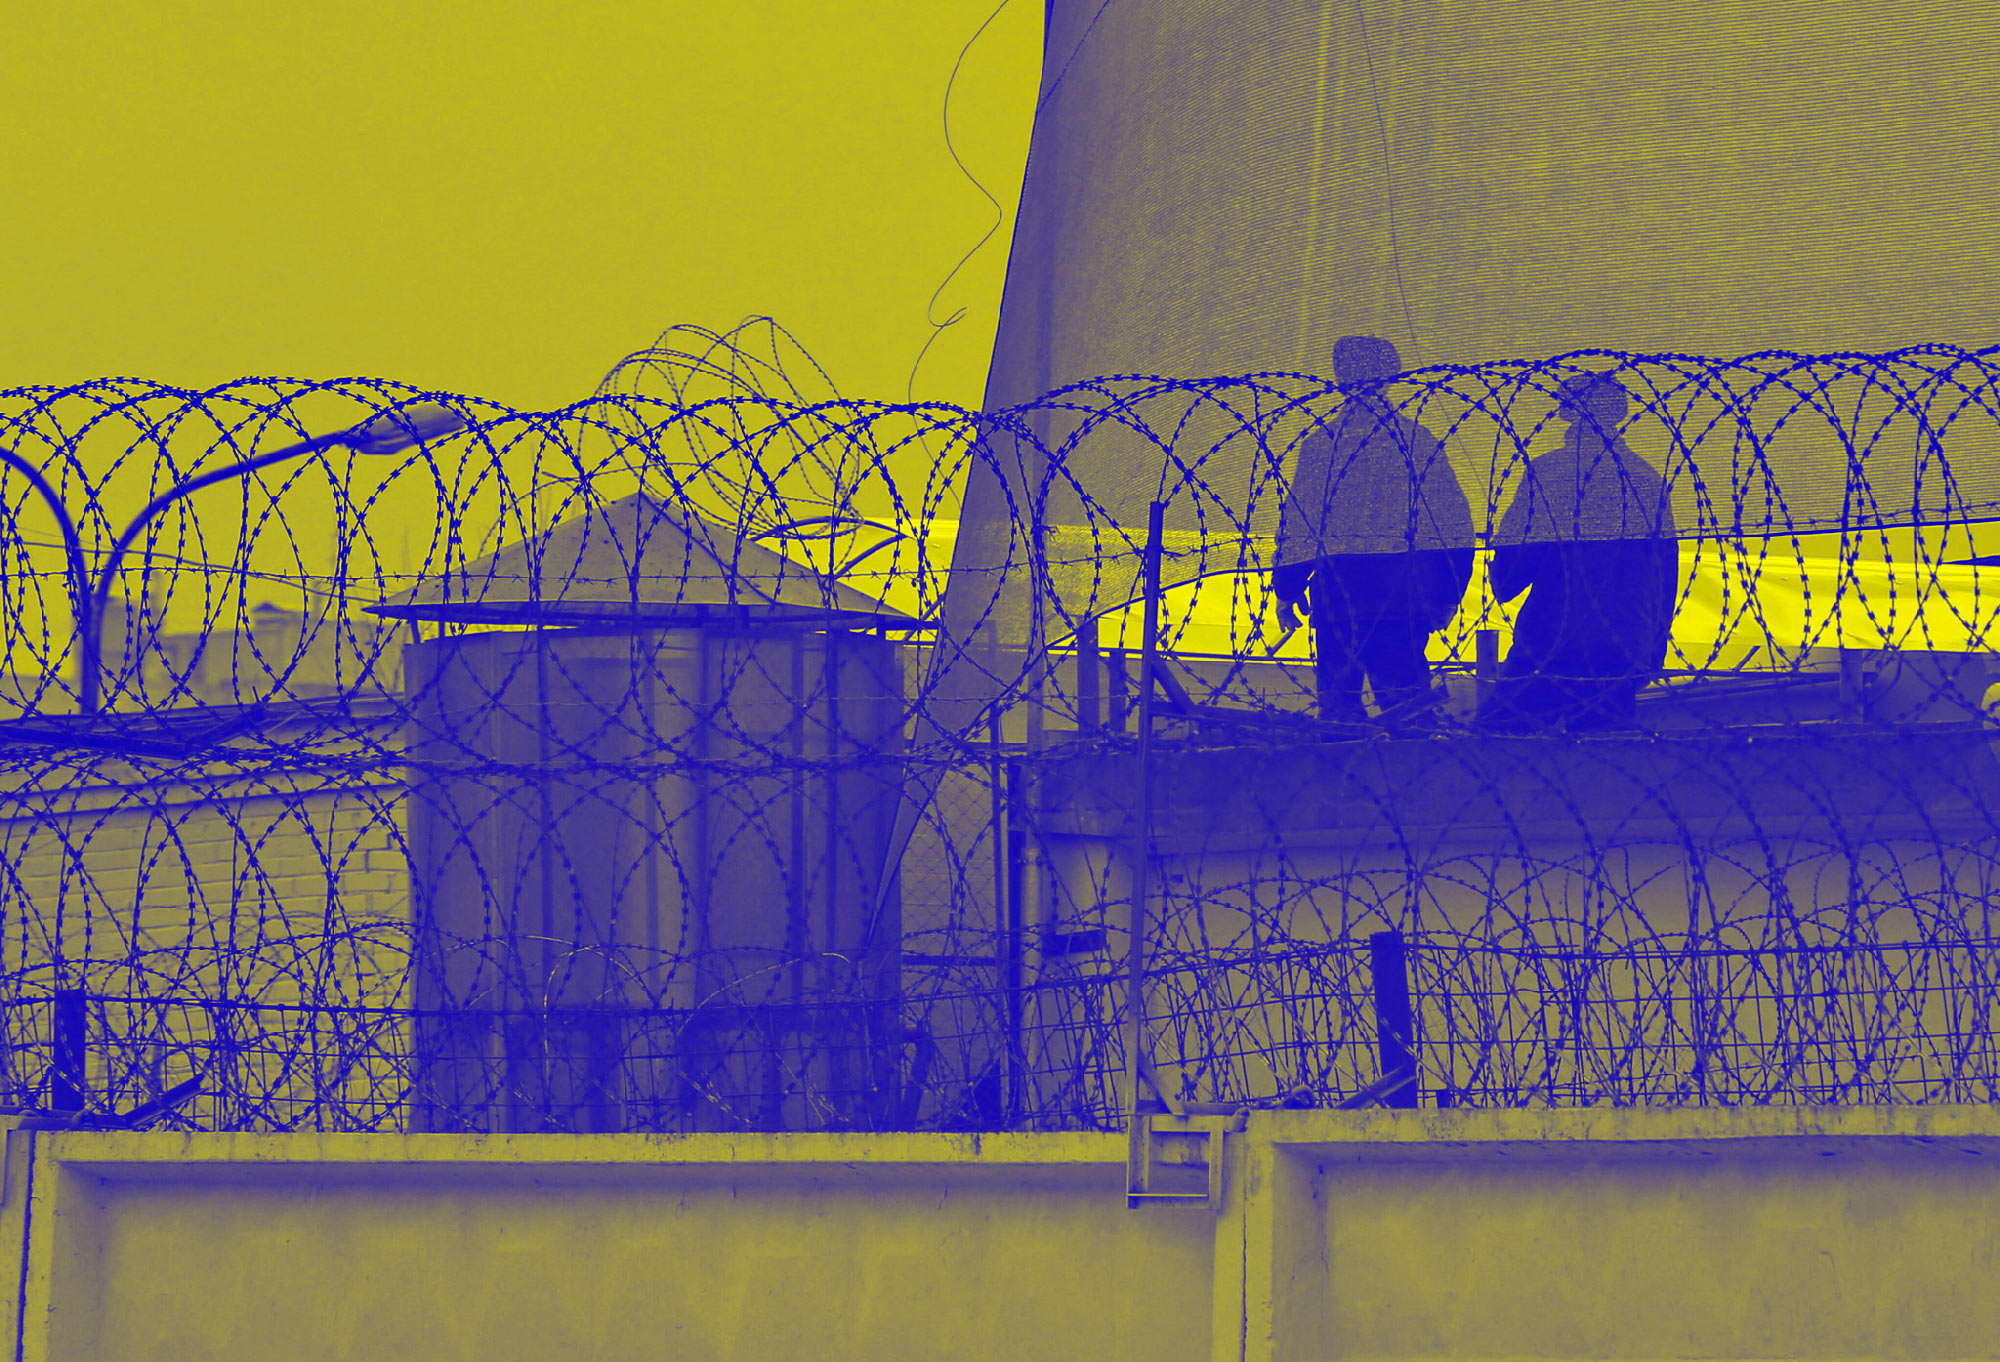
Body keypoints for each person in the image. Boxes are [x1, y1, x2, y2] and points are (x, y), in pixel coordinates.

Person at [1272, 336, 1475, 723]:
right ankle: (1413, 756)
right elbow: (1453, 525)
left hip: (1339, 591)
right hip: (1402, 591)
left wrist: (1287, 587)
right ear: (1391, 377)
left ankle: (1342, 758)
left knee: (1339, 710)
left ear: (1339, 378)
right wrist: (1450, 593)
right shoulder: (1416, 441)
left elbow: (1300, 522)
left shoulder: (1322, 444)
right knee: (1407, 706)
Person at [1479, 371, 1680, 732]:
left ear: (1566, 413)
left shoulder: (1550, 472)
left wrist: (1499, 570)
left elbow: (1512, 571)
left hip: (1554, 639)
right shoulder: (1645, 477)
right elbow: (1665, 572)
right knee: (1602, 751)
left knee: (1498, 740)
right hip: (1625, 640)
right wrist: (1653, 646)